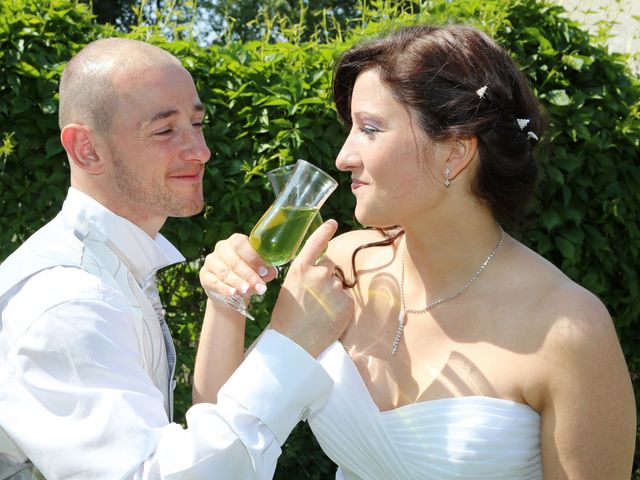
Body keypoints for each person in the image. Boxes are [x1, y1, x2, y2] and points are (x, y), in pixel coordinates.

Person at [199, 24, 637, 479]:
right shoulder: (340, 270)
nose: (343, 156)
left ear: (455, 152)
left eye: (369, 128)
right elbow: (217, 438)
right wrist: (226, 301)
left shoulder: (568, 330)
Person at [0, 37, 353, 479]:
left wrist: (226, 307)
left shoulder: (114, 269)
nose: (201, 152)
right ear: (87, 149)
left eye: (197, 124)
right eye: (165, 131)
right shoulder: (68, 301)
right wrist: (290, 344)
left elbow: (188, 437)